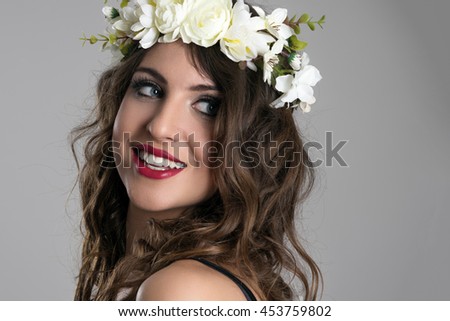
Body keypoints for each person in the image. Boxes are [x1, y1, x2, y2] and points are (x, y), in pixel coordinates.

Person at [72, 0, 324, 300]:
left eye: (208, 105)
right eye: (150, 89)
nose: (161, 127)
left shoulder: (181, 289)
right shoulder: (170, 278)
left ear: (253, 142)